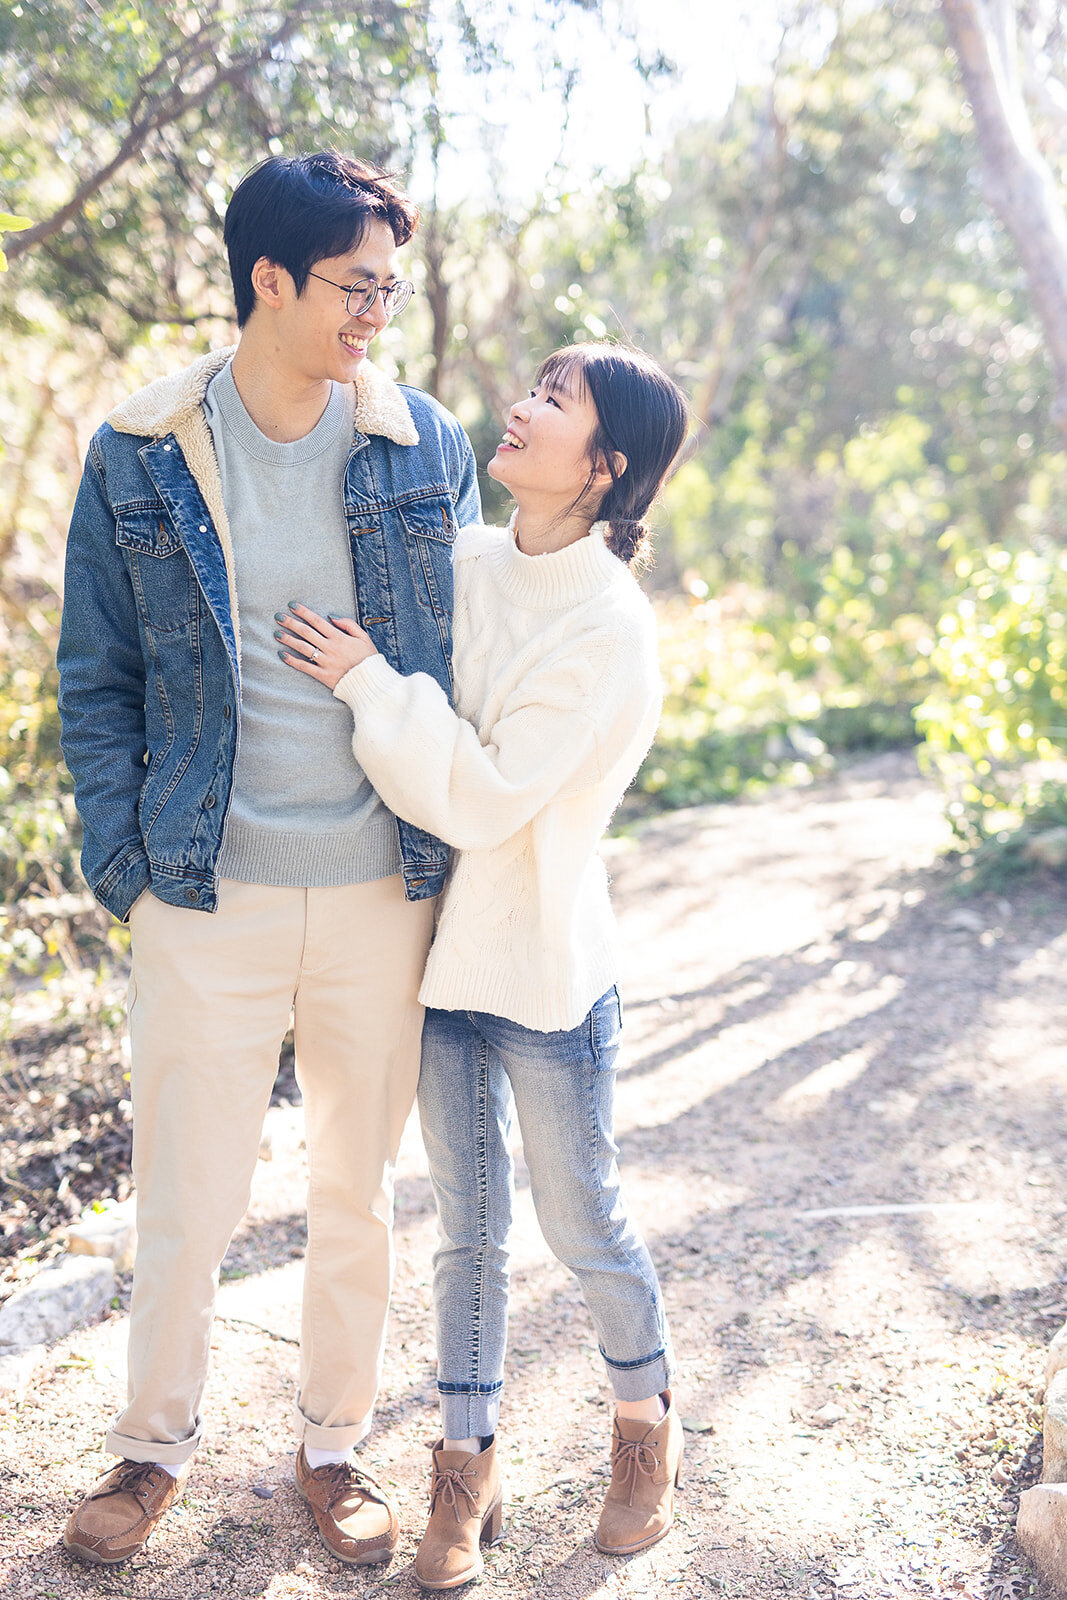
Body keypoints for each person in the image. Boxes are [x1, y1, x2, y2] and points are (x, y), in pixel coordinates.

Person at [55, 151, 480, 1568]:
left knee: (355, 1193)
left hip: (379, 890)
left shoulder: (419, 444)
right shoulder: (139, 449)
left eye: (389, 289)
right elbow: (97, 677)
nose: (378, 315)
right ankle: (148, 1451)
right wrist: (124, 866)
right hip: (203, 888)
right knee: (188, 1192)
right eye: (357, 288)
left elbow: (468, 662)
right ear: (270, 281)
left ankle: (331, 1448)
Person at [275, 340, 689, 1587]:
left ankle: (642, 1437)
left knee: (580, 1219)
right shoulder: (468, 563)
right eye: (534, 387)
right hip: (441, 963)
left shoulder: (610, 629)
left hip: (545, 971)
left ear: (603, 466)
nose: (517, 407)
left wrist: (364, 683)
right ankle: (466, 1466)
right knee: (466, 1232)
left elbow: (491, 794)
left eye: (553, 401)